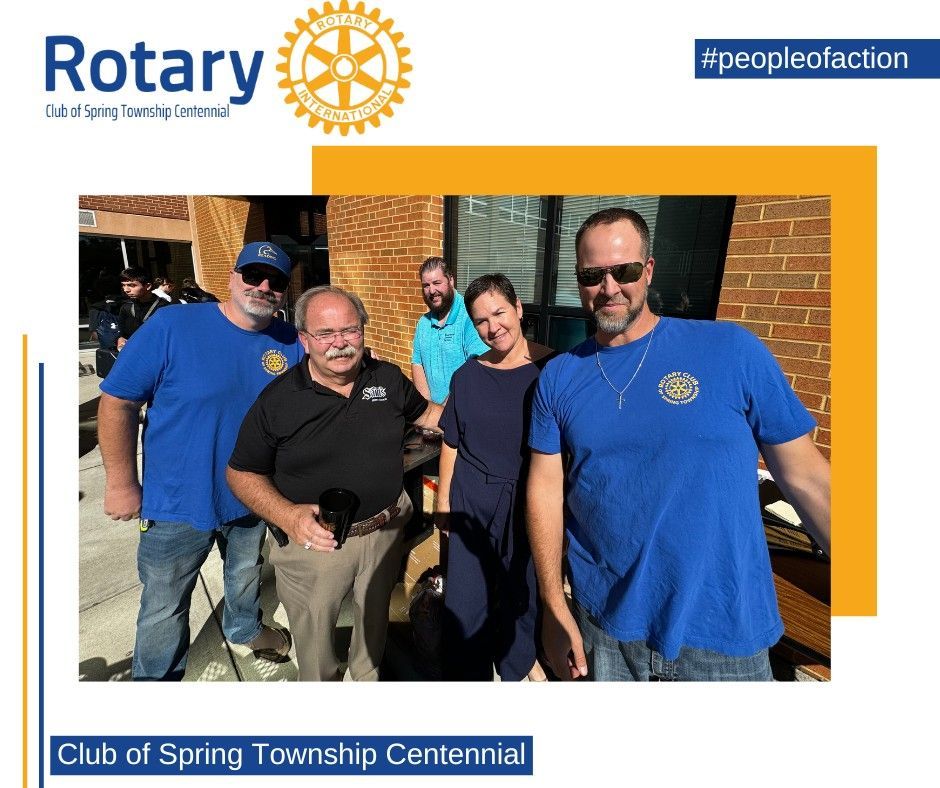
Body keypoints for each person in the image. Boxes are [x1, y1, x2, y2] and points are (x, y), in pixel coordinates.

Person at [526, 208, 831, 682]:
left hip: (723, 635)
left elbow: (808, 479)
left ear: (648, 270)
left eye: (624, 270)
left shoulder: (731, 350)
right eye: (592, 275)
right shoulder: (560, 377)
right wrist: (552, 604)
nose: (609, 287)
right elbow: (545, 491)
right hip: (604, 630)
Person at [98, 241, 304, 680]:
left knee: (245, 575)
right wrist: (121, 483)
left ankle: (244, 629)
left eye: (275, 281)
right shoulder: (173, 325)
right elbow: (118, 402)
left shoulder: (290, 341)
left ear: (285, 291)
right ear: (232, 277)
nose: (263, 287)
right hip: (176, 502)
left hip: (251, 497)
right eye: (253, 275)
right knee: (164, 605)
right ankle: (156, 684)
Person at [227, 286, 444, 681]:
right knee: (316, 645)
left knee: (374, 624)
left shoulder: (386, 378)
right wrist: (288, 516)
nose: (340, 343)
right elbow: (240, 472)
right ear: (304, 340)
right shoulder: (279, 401)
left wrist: (485, 414)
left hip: (385, 531)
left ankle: (366, 677)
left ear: (363, 331)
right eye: (325, 333)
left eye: (350, 330)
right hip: (315, 545)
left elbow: (428, 414)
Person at [436, 274, 554, 681]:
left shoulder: (552, 370)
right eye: (481, 320)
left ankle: (517, 666)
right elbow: (451, 441)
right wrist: (443, 502)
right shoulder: (467, 376)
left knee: (522, 595)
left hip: (528, 503)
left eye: (499, 313)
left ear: (518, 308)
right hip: (472, 501)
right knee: (466, 599)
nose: (493, 327)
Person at [411, 257, 488, 404]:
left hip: (463, 409)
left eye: (437, 283)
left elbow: (477, 367)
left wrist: (444, 412)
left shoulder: (470, 316)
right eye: (426, 285)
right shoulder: (423, 323)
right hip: (433, 413)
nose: (431, 291)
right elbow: (417, 363)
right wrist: (427, 407)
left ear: (451, 280)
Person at [116, 267, 176, 349]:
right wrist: (120, 339)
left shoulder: (165, 308)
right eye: (123, 285)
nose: (126, 290)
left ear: (148, 286)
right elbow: (122, 334)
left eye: (132, 285)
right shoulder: (126, 308)